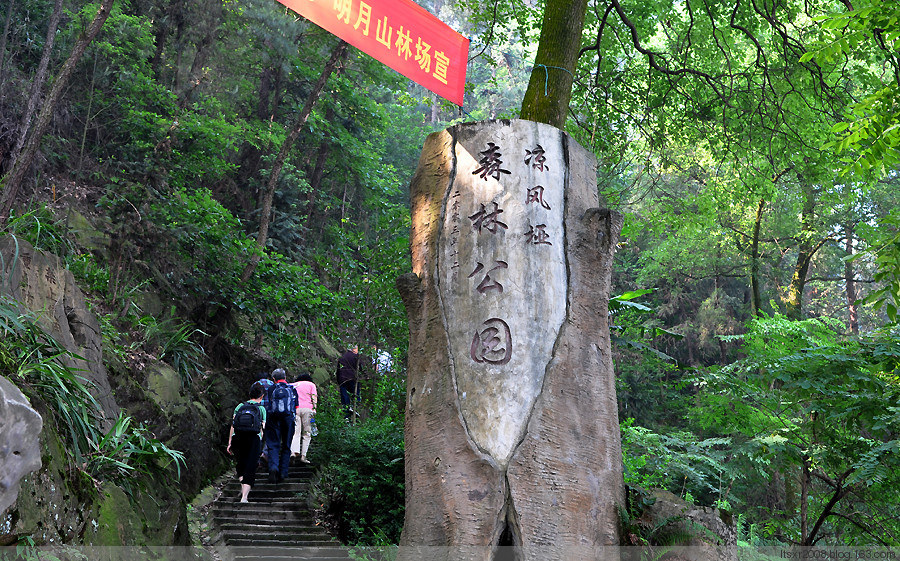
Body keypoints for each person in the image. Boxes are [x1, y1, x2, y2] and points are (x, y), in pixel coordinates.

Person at [226, 382, 266, 503]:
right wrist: (261, 443)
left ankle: (242, 487)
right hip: (253, 438)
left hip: (238, 438)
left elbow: (233, 425)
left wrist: (230, 442)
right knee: (250, 466)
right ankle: (244, 497)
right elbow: (263, 427)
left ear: (249, 394)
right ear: (262, 396)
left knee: (241, 465)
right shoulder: (261, 408)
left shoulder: (240, 406)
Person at [263, 368, 298, 484]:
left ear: (273, 379)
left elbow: (269, 404)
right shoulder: (292, 389)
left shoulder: (272, 388)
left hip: (273, 419)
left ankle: (273, 468)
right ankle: (283, 472)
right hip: (288, 419)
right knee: (286, 445)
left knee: (273, 445)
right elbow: (296, 407)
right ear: (285, 377)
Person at [289, 372, 317, 464]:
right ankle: (303, 456)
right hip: (308, 409)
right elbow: (314, 398)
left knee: (295, 432)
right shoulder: (311, 385)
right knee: (306, 433)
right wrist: (314, 409)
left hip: (295, 409)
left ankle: (293, 452)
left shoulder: (293, 385)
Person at [336, 345, 360, 418]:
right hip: (352, 378)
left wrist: (338, 380)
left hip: (342, 379)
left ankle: (346, 414)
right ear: (354, 349)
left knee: (344, 395)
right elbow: (360, 367)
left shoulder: (341, 358)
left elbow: (338, 370)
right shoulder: (356, 357)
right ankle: (353, 407)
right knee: (356, 393)